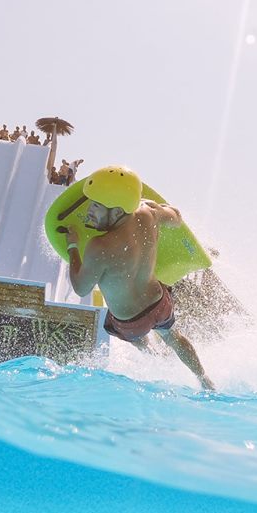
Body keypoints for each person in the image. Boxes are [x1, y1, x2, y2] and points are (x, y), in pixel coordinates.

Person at [61, 165, 215, 389]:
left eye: (96, 206)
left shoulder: (99, 246)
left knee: (138, 340)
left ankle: (154, 356)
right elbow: (176, 219)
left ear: (117, 212)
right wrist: (156, 206)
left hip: (129, 321)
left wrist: (73, 247)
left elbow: (80, 287)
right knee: (173, 337)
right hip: (158, 302)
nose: (89, 211)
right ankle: (204, 379)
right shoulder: (148, 213)